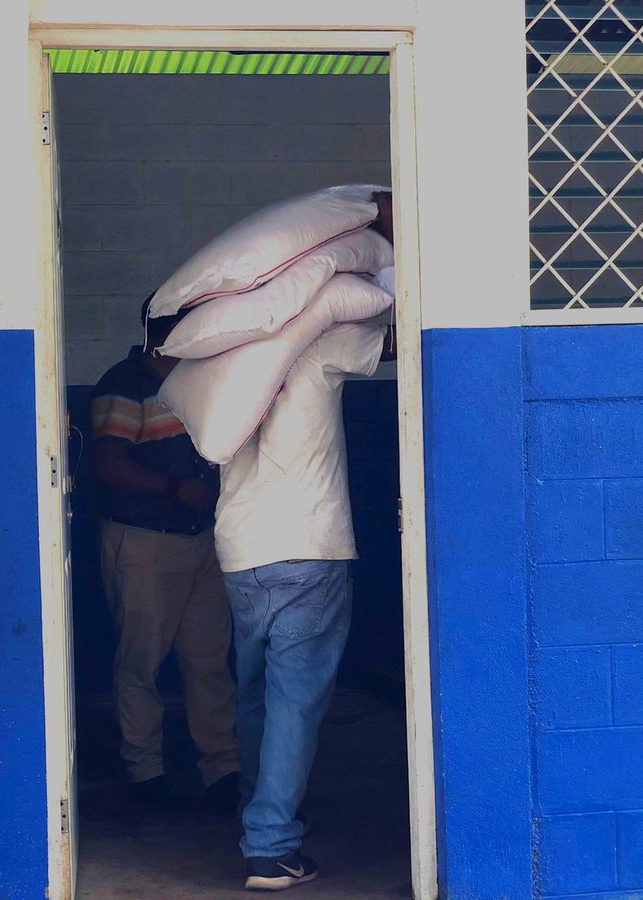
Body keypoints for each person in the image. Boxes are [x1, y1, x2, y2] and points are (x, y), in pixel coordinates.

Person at [216, 192, 395, 890]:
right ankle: (269, 843)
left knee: (256, 696)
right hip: (308, 548)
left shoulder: (224, 364)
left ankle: (255, 809)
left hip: (239, 553)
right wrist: (390, 238)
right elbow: (389, 327)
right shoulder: (318, 344)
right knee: (296, 703)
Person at [89, 296, 240, 811]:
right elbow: (107, 465)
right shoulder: (124, 382)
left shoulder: (196, 380)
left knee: (209, 661)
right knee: (141, 662)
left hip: (201, 539)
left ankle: (222, 769)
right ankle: (145, 772)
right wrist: (174, 487)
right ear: (165, 330)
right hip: (143, 542)